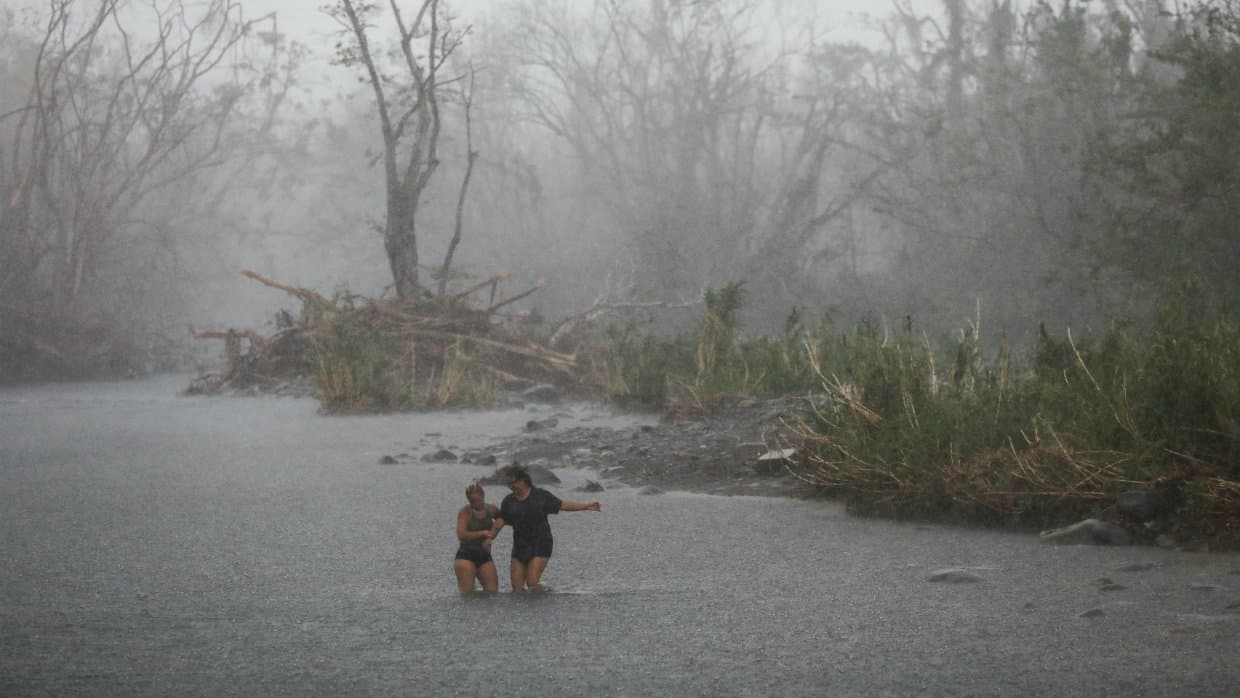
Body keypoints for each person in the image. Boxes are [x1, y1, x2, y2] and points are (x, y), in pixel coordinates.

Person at [488, 463, 600, 592]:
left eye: (513, 483)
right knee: (517, 588)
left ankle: (546, 599)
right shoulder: (508, 501)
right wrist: (490, 536)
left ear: (523, 480)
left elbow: (562, 505)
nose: (511, 487)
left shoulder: (541, 496)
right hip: (520, 545)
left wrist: (585, 506)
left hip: (541, 543)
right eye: (508, 484)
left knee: (532, 584)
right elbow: (502, 520)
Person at [454, 481, 500, 595]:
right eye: (472, 501)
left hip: (484, 556)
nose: (476, 504)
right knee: (467, 595)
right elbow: (461, 535)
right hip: (466, 556)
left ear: (483, 495)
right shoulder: (465, 512)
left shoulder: (492, 509)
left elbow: (502, 520)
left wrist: (491, 536)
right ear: (468, 500)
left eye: (479, 500)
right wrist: (482, 533)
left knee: (493, 593)